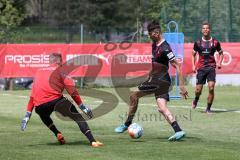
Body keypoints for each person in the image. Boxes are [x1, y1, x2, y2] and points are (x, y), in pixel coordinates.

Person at [114, 21, 188, 141]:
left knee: (134, 95)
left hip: (160, 80)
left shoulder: (165, 48)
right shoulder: (155, 44)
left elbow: (177, 65)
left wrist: (182, 86)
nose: (149, 36)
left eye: (151, 34)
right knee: (162, 108)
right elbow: (155, 65)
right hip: (159, 80)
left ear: (157, 33)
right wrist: (149, 76)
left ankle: (127, 124)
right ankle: (178, 130)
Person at [20, 53, 103, 147]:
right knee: (78, 117)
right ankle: (92, 141)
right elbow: (72, 91)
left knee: (44, 115)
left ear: (50, 61)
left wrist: (27, 114)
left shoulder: (38, 72)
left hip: (39, 105)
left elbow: (32, 96)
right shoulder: (61, 71)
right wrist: (82, 106)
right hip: (56, 101)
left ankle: (57, 133)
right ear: (59, 61)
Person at [192, 22, 224, 114]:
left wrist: (219, 62)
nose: (205, 30)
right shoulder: (198, 42)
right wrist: (193, 65)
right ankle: (196, 100)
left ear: (209, 30)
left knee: (211, 88)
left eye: (207, 28)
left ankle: (208, 109)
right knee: (198, 90)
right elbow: (193, 54)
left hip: (211, 68)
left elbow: (221, 53)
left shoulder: (215, 42)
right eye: (204, 28)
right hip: (201, 68)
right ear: (202, 30)